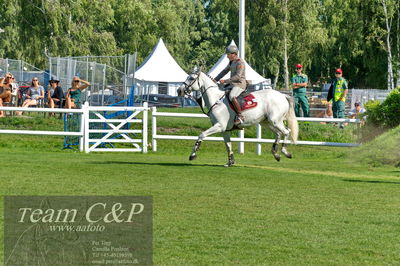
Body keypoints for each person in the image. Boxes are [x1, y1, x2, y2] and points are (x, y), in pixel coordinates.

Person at [214, 45, 246, 126]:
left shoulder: (240, 62)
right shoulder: (231, 62)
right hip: (233, 84)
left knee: (232, 96)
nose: (227, 56)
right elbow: (224, 71)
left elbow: (238, 77)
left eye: (228, 54)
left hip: (240, 84)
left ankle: (240, 116)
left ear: (234, 54)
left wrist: (225, 81)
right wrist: (215, 79)